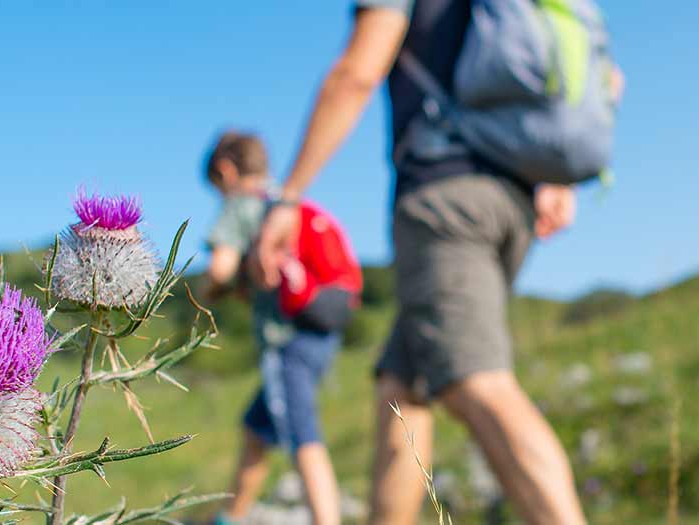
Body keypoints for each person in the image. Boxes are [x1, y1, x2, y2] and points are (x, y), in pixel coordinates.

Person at [249, 2, 623, 524]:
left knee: (475, 381)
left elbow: (356, 75)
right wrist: (552, 173)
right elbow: (608, 79)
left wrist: (287, 197)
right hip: (511, 201)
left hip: (446, 202)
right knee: (402, 387)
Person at [202, 131, 346, 525]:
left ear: (227, 172)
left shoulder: (241, 206)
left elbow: (220, 268)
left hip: (287, 341)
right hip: (321, 329)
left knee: (303, 436)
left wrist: (212, 289)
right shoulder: (287, 201)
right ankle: (230, 517)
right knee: (256, 429)